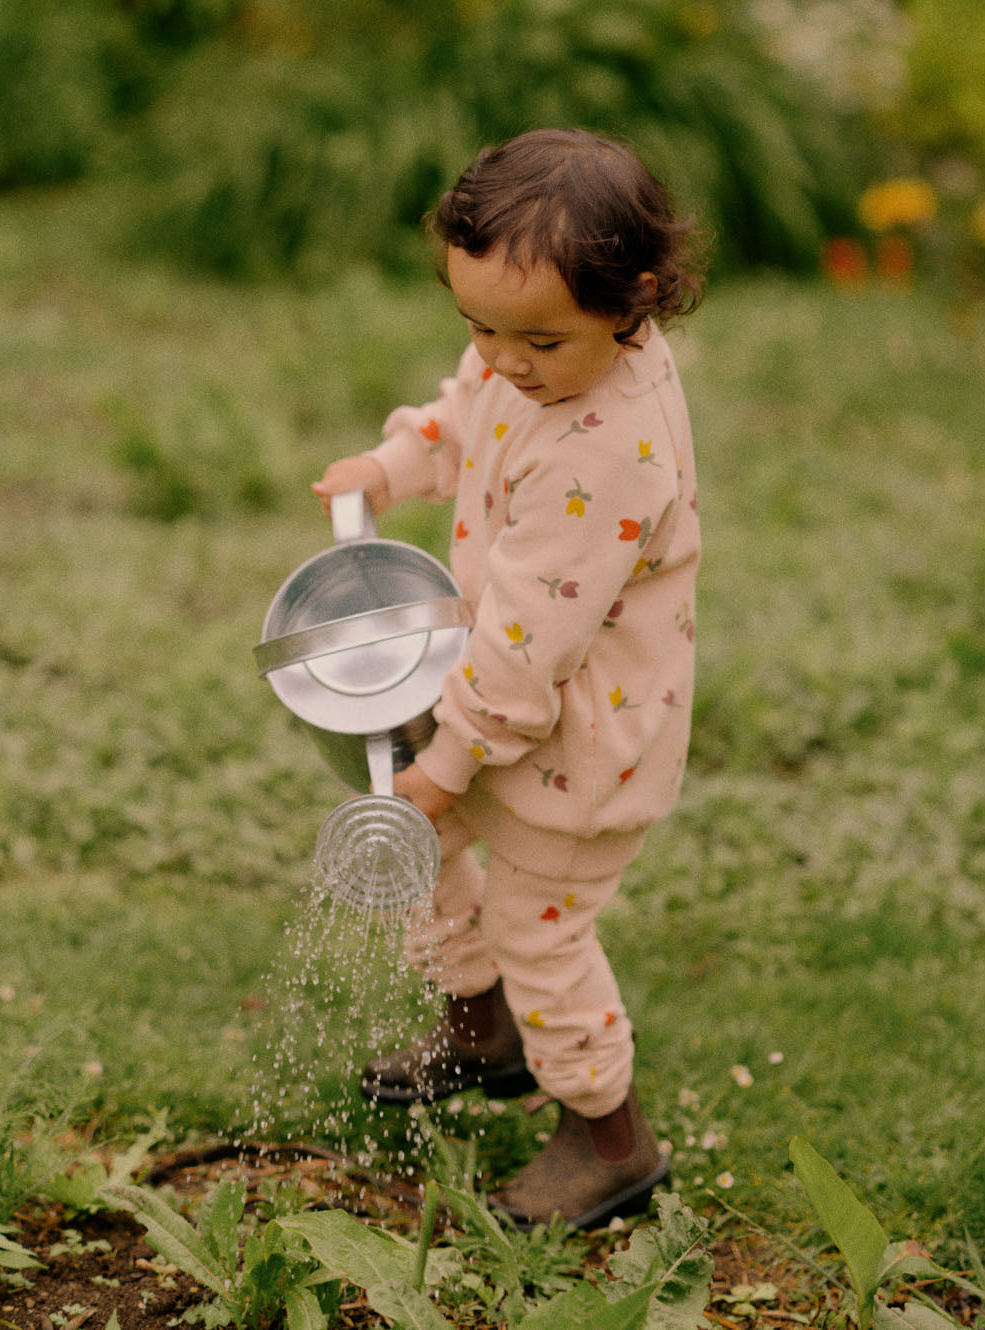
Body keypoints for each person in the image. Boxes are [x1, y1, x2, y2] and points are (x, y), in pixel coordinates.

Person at [311, 127, 705, 1229]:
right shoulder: (529, 361)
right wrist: (395, 463)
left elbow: (529, 651)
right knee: (414, 839)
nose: (501, 357)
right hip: (498, 710)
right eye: (476, 323)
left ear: (636, 300)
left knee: (539, 926)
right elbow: (465, 410)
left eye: (535, 337)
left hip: (575, 746)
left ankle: (608, 1134)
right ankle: (481, 1026)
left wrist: (440, 765)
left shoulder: (606, 445)